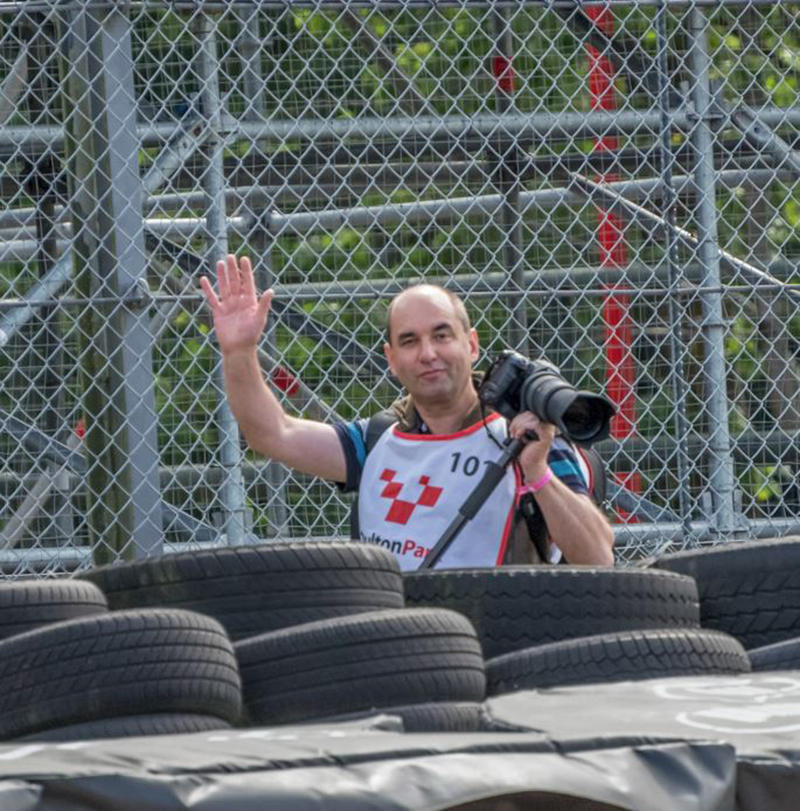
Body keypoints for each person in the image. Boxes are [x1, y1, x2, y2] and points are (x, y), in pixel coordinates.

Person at [200, 254, 615, 570]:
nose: (428, 354)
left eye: (441, 335)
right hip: (396, 650)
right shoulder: (378, 439)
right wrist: (239, 351)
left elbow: (599, 559)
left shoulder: (527, 435)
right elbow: (272, 434)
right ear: (392, 359)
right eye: (410, 341)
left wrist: (537, 472)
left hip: (502, 647)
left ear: (471, 345)